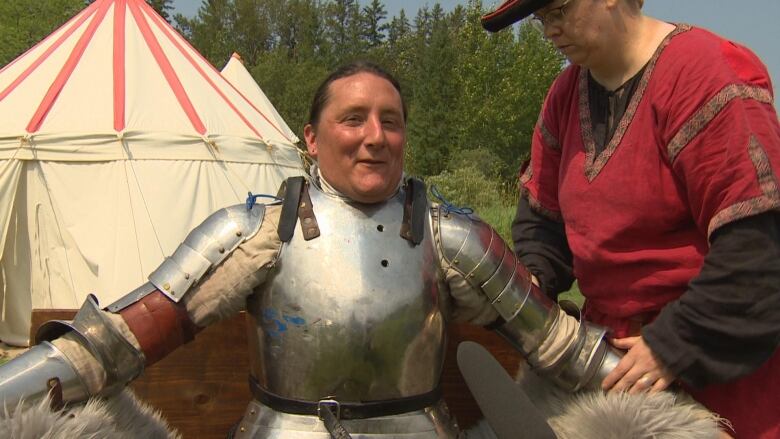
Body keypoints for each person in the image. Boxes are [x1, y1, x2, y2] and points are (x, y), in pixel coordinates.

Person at [0, 61, 622, 438]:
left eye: (391, 120)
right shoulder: (253, 233)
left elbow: (563, 348)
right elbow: (119, 342)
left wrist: (669, 383)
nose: (374, 137)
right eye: (353, 118)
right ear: (311, 137)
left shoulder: (453, 238)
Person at [481, 0, 780, 438]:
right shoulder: (565, 96)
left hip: (716, 369)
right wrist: (533, 287)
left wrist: (674, 343)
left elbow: (758, 243)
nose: (550, 29)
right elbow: (542, 223)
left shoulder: (702, 74)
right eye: (542, 18)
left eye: (560, 10)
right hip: (610, 370)